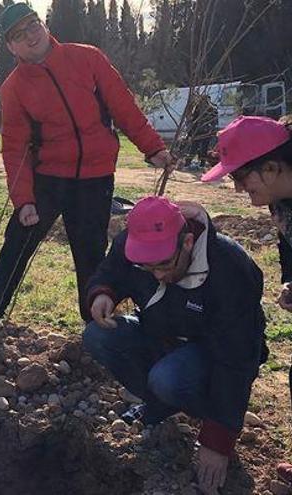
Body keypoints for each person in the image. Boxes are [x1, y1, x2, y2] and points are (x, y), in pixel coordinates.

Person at [0, 2, 175, 329]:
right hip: (48, 179)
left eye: (32, 25)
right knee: (17, 242)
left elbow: (123, 106)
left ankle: (94, 325)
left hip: (95, 178)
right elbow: (14, 147)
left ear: (43, 24)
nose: (30, 36)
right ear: (11, 46)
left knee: (90, 252)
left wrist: (152, 147)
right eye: (19, 35)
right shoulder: (13, 88)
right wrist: (24, 199)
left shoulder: (87, 57)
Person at [82, 196, 267, 495]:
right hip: (161, 336)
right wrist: (103, 293)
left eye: (165, 264)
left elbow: (237, 358)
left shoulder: (229, 266)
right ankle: (160, 406)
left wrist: (217, 440)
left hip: (213, 353)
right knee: (99, 337)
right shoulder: (131, 244)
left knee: (168, 379)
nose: (158, 275)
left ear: (188, 242)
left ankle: (203, 411)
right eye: (147, 267)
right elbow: (110, 271)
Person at [196, 115, 292, 484]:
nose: (237, 189)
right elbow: (288, 245)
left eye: (240, 177)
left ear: (272, 166)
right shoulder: (280, 199)